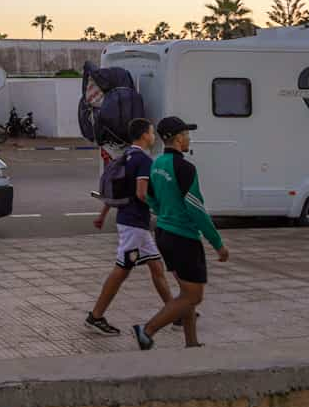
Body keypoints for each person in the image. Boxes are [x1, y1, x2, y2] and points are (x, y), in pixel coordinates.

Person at [133, 116, 226, 350]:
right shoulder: (184, 167)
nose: (189, 138)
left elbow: (149, 197)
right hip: (183, 237)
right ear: (178, 138)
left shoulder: (156, 164)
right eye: (186, 134)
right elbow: (196, 209)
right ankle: (147, 330)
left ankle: (192, 343)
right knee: (193, 296)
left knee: (186, 292)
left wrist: (163, 211)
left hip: (163, 233)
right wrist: (217, 243)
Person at [85, 118, 171, 335]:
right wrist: (160, 209)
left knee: (156, 267)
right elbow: (141, 193)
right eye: (152, 133)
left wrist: (102, 214)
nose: (154, 136)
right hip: (134, 225)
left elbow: (118, 190)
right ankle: (95, 316)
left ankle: (174, 311)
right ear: (144, 135)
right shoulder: (143, 160)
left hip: (131, 222)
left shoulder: (126, 156)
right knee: (121, 270)